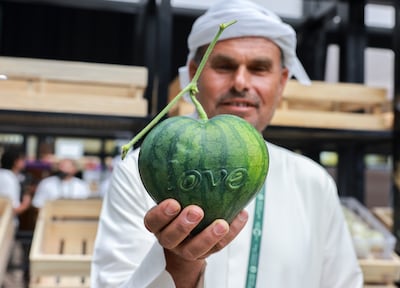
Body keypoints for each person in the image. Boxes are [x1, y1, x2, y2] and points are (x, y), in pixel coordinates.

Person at [91, 0, 363, 287]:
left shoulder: (313, 181)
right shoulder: (140, 170)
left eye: (259, 68)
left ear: (282, 81)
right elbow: (113, 282)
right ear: (194, 73)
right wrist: (180, 263)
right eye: (224, 66)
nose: (241, 82)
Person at [0, 148, 31, 217]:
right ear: (15, 161)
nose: (24, 162)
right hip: (5, 225)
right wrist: (26, 203)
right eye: (22, 159)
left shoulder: (4, 175)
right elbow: (12, 210)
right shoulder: (10, 179)